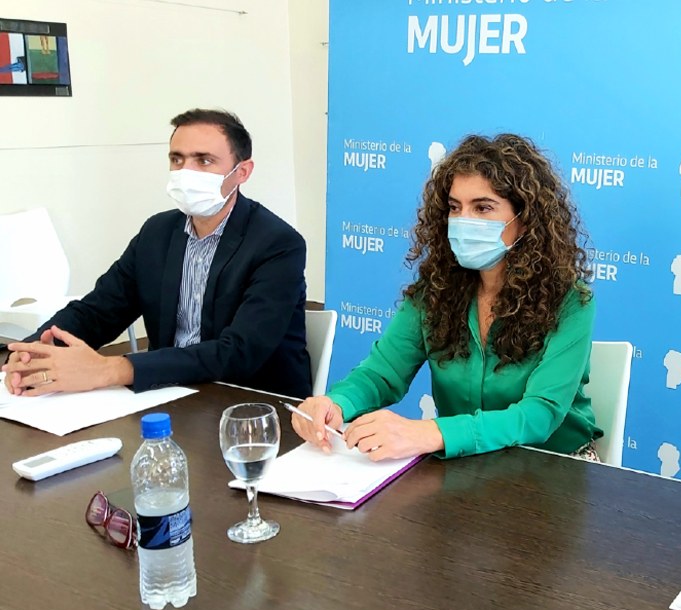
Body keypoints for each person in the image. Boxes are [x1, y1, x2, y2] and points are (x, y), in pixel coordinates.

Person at [291, 134, 601, 461]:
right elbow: (381, 374)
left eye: (483, 208)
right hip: (464, 462)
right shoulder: (435, 291)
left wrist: (433, 432)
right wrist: (335, 404)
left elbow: (540, 414)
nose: (464, 220)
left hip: (553, 465)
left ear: (524, 220)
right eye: (455, 207)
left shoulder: (570, 301)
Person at [2, 109, 311, 398]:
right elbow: (98, 311)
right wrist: (32, 352)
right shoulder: (157, 232)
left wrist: (110, 369)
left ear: (242, 171)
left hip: (250, 402)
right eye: (177, 159)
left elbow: (240, 352)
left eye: (204, 160)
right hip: (167, 393)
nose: (186, 171)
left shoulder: (278, 244)